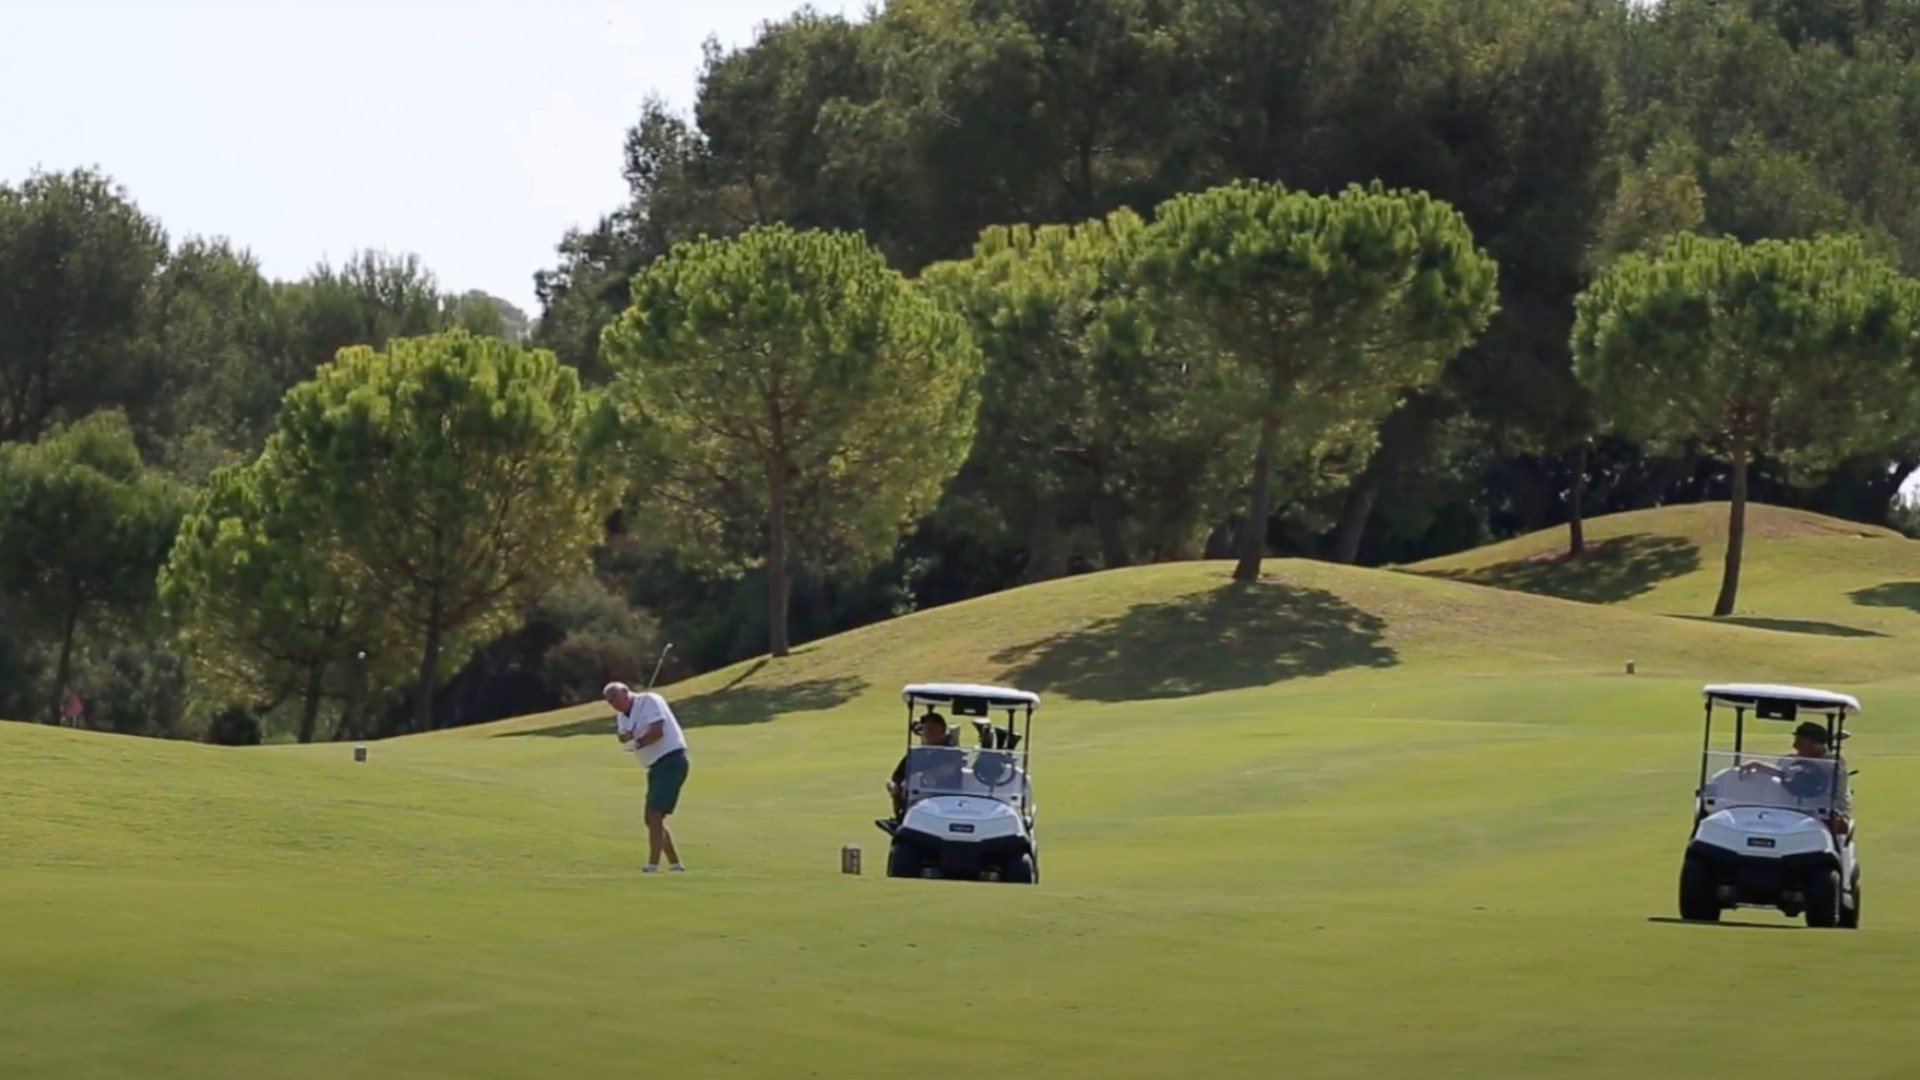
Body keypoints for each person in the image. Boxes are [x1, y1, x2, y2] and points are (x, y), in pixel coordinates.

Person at [607, 681, 691, 872]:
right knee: (651, 818)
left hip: (671, 759)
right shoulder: (622, 716)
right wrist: (626, 736)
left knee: (654, 814)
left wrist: (638, 743)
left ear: (626, 692)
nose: (614, 704)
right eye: (610, 701)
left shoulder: (649, 701)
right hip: (654, 766)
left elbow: (657, 731)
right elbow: (622, 735)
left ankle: (652, 865)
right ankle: (675, 864)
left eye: (615, 698)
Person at [1738, 720, 1851, 835]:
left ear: (1816, 744)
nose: (1795, 746)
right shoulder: (1792, 760)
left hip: (1825, 815)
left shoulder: (1833, 764)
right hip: (1794, 812)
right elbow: (1784, 776)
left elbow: (1805, 777)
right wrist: (1758, 765)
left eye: (1800, 741)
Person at [876, 711, 964, 833]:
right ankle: (899, 820)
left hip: (945, 803)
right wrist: (894, 788)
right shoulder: (917, 754)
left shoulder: (952, 754)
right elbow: (894, 779)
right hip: (918, 803)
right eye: (925, 729)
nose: (927, 733)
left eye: (931, 729)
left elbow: (948, 770)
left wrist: (925, 776)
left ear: (942, 732)